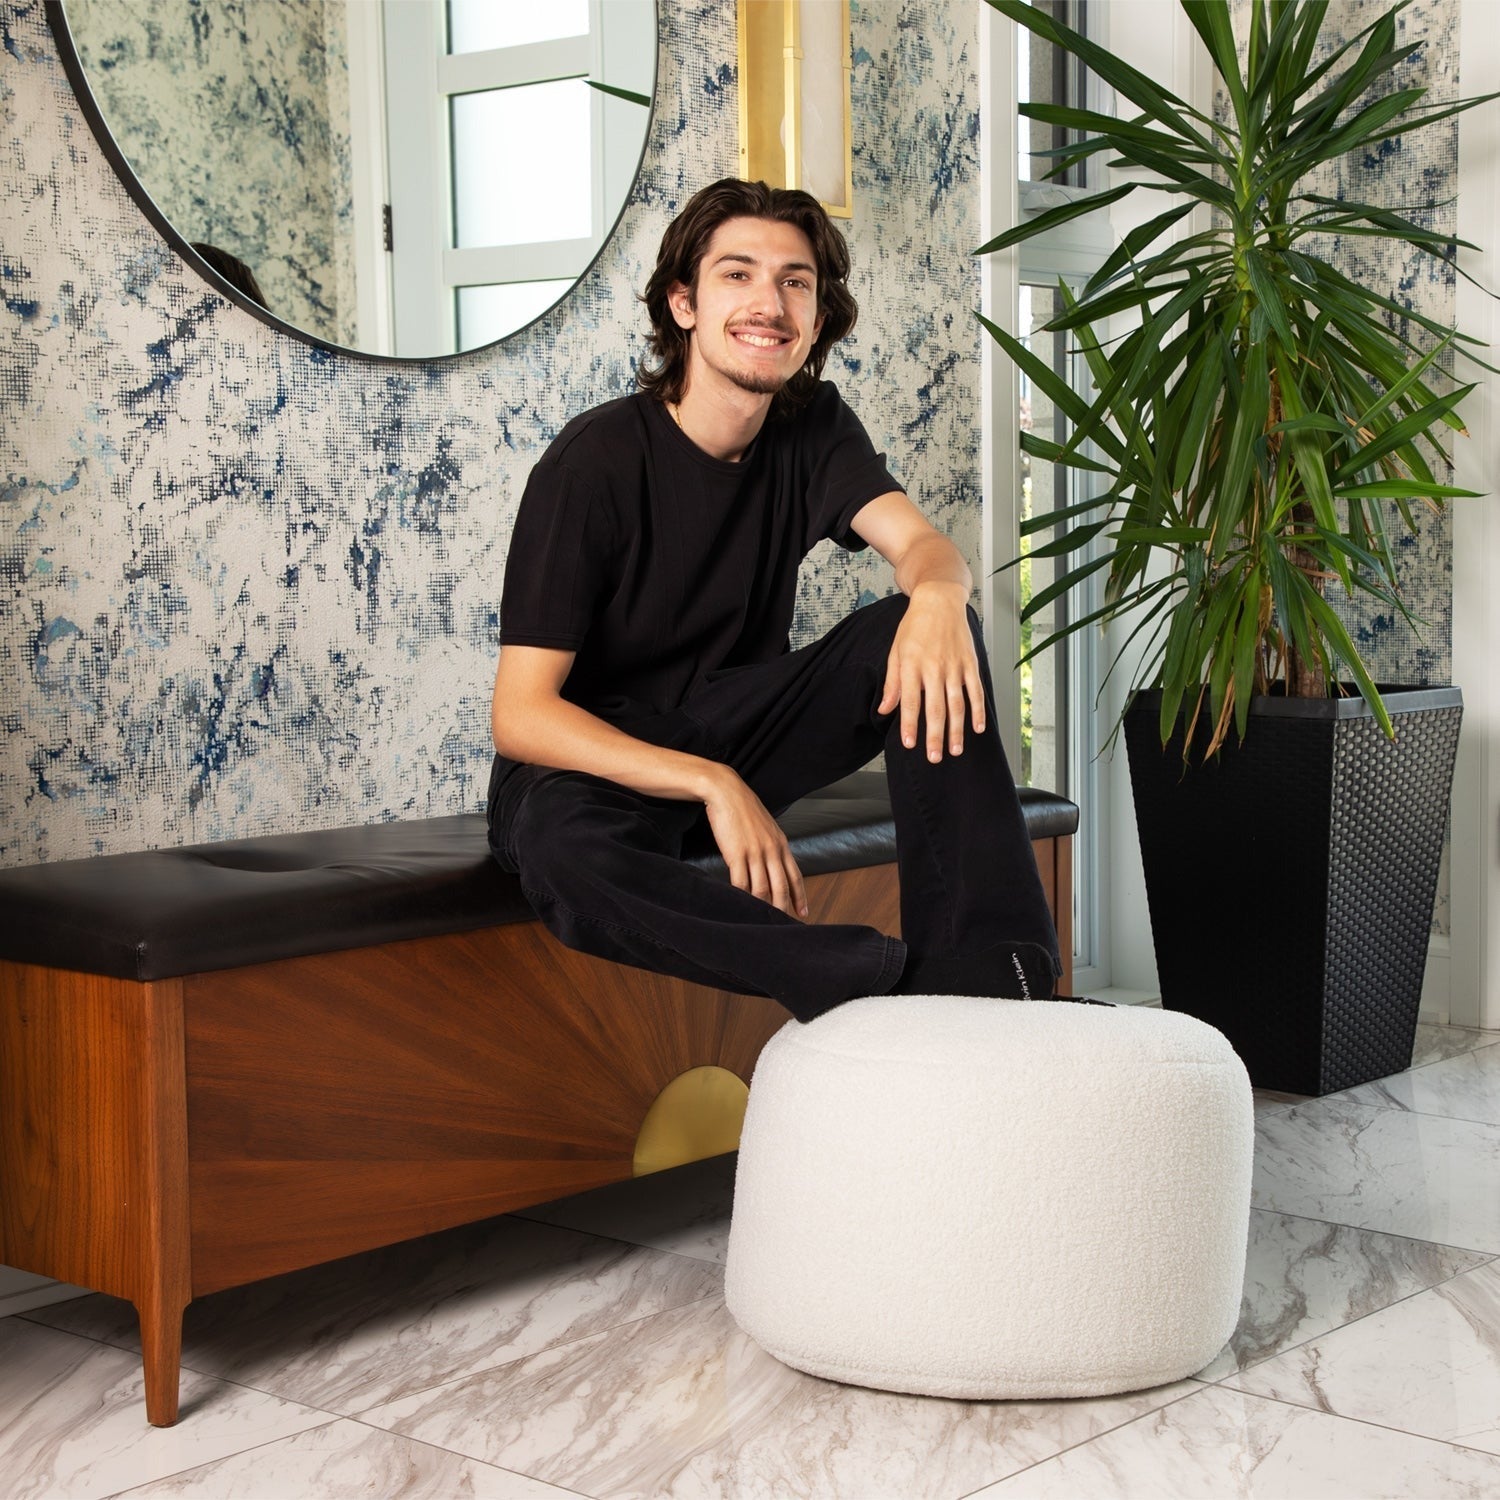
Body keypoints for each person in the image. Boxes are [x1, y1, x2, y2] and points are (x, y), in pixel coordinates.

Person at [486, 178, 1088, 1023]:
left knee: (917, 631)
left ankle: (1001, 973)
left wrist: (941, 599)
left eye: (794, 281)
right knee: (560, 851)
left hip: (734, 725)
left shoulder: (811, 425)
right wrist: (712, 784)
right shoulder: (594, 464)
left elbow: (922, 549)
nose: (769, 302)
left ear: (816, 313)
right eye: (738, 275)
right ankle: (876, 982)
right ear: (684, 304)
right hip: (593, 768)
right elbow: (521, 714)